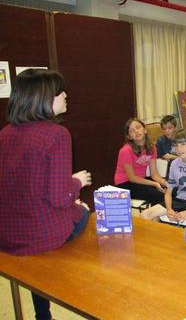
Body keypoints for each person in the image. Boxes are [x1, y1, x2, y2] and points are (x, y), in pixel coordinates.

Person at [0, 69, 92, 320]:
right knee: (85, 212)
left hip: (7, 234)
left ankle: (43, 313)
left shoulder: (5, 134)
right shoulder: (57, 134)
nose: (65, 95)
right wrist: (76, 182)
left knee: (71, 207)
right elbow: (58, 197)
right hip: (41, 235)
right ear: (43, 98)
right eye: (59, 91)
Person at [141, 130, 186, 228]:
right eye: (176, 145)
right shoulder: (174, 163)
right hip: (179, 200)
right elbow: (168, 192)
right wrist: (169, 209)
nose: (179, 149)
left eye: (183, 144)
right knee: (144, 215)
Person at [114, 118, 166, 205]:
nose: (136, 131)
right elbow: (132, 178)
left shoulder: (152, 148)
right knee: (159, 196)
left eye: (138, 127)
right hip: (125, 184)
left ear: (145, 129)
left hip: (140, 180)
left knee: (170, 190)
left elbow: (154, 174)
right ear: (129, 136)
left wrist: (163, 182)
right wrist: (154, 184)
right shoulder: (126, 150)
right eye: (132, 131)